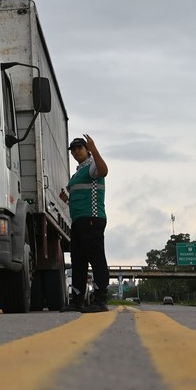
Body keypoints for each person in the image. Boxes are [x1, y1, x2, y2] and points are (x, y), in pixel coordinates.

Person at [59, 134, 110, 313]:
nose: (76, 152)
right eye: (73, 150)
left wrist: (94, 149)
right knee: (78, 261)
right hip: (79, 221)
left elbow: (104, 171)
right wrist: (67, 200)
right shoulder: (77, 173)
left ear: (87, 150)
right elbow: (80, 200)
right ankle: (77, 301)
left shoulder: (92, 166)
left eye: (79, 148)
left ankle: (101, 300)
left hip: (92, 219)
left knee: (96, 258)